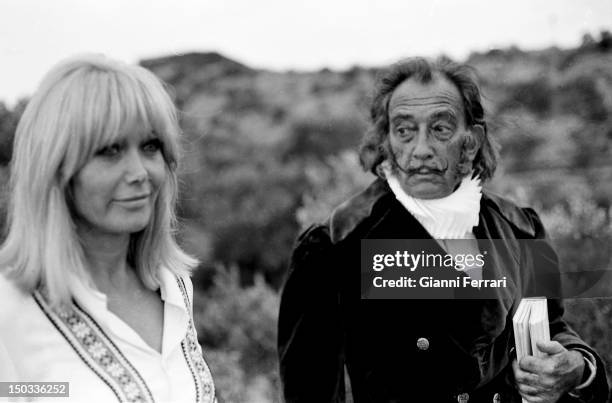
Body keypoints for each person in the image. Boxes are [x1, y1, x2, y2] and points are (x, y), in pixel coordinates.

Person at [278, 57, 609, 402]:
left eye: (440, 129)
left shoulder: (520, 228)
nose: (420, 150)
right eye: (404, 130)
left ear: (472, 139)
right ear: (387, 141)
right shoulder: (334, 246)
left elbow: (553, 326)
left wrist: (579, 368)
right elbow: (310, 392)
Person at [0, 54, 217, 403]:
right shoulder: (10, 307)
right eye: (110, 151)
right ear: (57, 169)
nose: (139, 172)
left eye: (150, 147)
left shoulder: (173, 288)